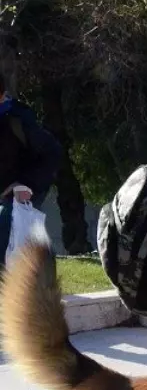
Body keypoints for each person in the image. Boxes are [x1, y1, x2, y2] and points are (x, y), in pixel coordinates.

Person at [0, 73, 63, 261]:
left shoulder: (19, 120)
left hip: (20, 191)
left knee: (7, 225)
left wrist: (25, 183)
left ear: (2, 95)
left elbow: (52, 153)